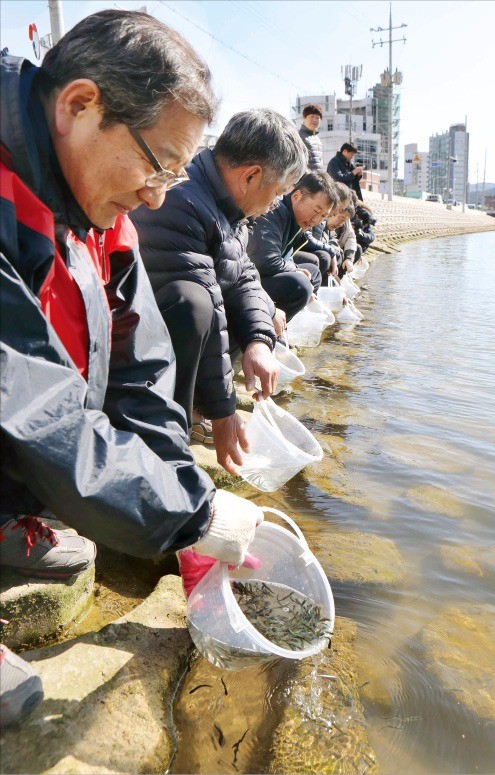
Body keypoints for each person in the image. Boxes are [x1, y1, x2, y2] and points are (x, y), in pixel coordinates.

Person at [0, 10, 262, 727]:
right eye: (158, 162)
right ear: (80, 105)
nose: (159, 194)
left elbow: (144, 368)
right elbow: (27, 402)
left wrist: (183, 490)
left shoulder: (98, 205)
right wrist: (193, 515)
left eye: (178, 173)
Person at [131, 109, 307, 475]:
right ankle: (168, 438)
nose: (276, 204)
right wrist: (225, 411)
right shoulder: (183, 201)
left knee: (255, 308)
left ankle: (194, 409)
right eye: (276, 194)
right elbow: (205, 303)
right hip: (133, 347)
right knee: (193, 303)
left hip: (178, 329)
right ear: (251, 175)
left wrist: (259, 340)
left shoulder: (226, 206)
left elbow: (244, 276)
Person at [247, 171, 338, 322]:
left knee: (312, 273)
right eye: (316, 211)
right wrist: (294, 269)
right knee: (300, 285)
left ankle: (285, 326)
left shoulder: (295, 220)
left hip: (261, 275)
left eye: (323, 216)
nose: (316, 220)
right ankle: (267, 328)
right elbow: (265, 260)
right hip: (248, 280)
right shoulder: (274, 212)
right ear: (297, 196)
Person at [302, 181, 352, 282]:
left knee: (335, 254)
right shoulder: (318, 211)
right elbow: (306, 237)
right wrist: (330, 250)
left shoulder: (325, 216)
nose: (337, 212)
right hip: (298, 250)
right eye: (340, 208)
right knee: (324, 257)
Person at [298, 103, 324, 172]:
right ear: (304, 118)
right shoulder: (299, 137)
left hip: (318, 180)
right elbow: (297, 164)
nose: (314, 120)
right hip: (306, 181)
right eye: (312, 116)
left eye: (317, 118)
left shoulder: (317, 139)